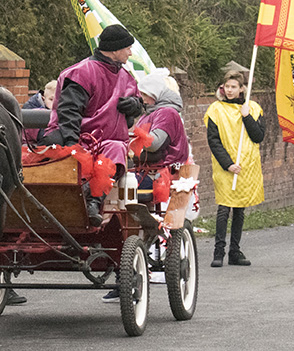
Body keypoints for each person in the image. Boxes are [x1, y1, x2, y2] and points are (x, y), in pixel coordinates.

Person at [40, 24, 143, 227]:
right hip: (79, 138)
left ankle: (93, 201)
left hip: (110, 142)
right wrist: (72, 146)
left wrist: (134, 106)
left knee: (115, 147)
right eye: (127, 48)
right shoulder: (82, 73)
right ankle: (86, 200)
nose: (130, 53)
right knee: (104, 151)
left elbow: (138, 107)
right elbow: (69, 112)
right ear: (114, 49)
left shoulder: (127, 77)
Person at [204, 70, 264, 268]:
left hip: (246, 165)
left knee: (240, 208)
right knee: (224, 207)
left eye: (233, 87)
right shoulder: (215, 110)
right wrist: (228, 163)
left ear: (241, 89)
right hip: (225, 166)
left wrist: (246, 117)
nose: (229, 90)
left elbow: (258, 136)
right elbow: (213, 140)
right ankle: (218, 251)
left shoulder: (253, 108)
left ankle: (235, 251)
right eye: (226, 86)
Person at [134, 71, 189, 168]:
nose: (142, 99)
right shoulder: (149, 113)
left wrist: (133, 138)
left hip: (163, 173)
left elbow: (154, 143)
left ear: (155, 93)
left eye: (145, 94)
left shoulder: (167, 113)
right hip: (147, 169)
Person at [22, 80, 57, 144]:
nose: (54, 104)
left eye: (58, 100)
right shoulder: (34, 110)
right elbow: (43, 137)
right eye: (51, 99)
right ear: (44, 99)